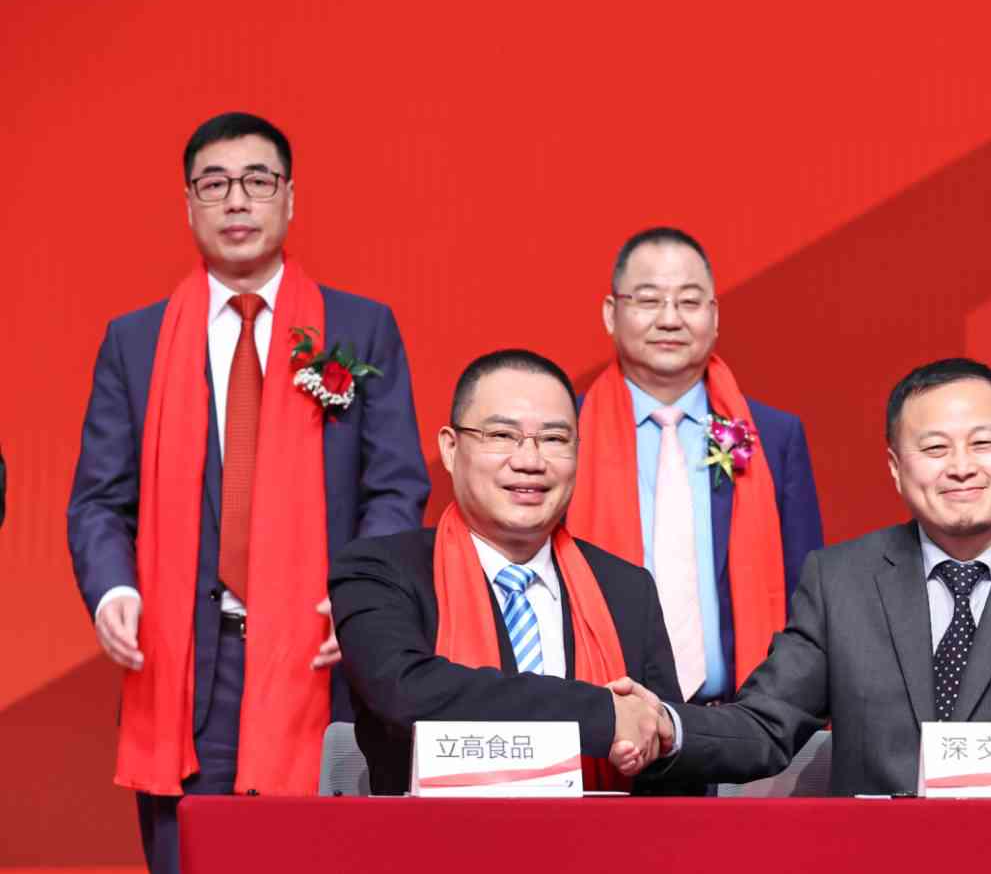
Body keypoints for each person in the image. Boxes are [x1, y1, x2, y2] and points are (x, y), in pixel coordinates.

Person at [66, 112, 429, 874]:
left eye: (257, 181)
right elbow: (99, 500)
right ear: (188, 205)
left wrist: (361, 600)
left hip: (321, 667)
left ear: (289, 198)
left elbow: (396, 487)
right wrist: (113, 591)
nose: (236, 200)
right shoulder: (134, 342)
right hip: (183, 673)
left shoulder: (359, 329)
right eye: (214, 184)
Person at [614, 358, 991, 796]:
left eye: (983, 443)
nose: (961, 467)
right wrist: (667, 724)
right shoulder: (840, 582)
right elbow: (765, 723)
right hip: (872, 855)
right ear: (896, 468)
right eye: (935, 448)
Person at [330, 349, 688, 795]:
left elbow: (670, 757)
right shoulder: (379, 572)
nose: (530, 461)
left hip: (602, 838)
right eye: (501, 435)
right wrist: (603, 714)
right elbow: (410, 693)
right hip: (427, 838)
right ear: (450, 448)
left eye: (554, 439)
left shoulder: (626, 589)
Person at [568, 227, 823, 705]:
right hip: (605, 715)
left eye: (688, 301)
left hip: (741, 722)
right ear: (610, 313)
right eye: (648, 300)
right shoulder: (565, 433)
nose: (670, 319)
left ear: (714, 315)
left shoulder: (773, 435)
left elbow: (806, 599)